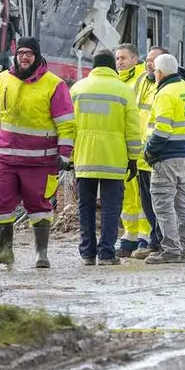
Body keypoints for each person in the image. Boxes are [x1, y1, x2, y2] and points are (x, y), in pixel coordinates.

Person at [0, 37, 75, 269]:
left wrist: (65, 153)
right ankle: (2, 253)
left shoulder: (54, 84)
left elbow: (66, 123)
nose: (24, 57)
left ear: (37, 56)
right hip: (6, 158)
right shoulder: (3, 80)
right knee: (0, 205)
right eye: (20, 53)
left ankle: (41, 255)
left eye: (29, 53)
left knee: (39, 206)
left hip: (40, 160)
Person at [70, 49, 140, 265]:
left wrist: (69, 155)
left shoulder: (77, 89)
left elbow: (67, 126)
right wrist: (134, 157)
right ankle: (107, 253)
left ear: (94, 66)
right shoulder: (123, 91)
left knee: (85, 206)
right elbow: (133, 129)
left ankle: (87, 254)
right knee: (111, 207)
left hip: (84, 157)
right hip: (114, 158)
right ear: (112, 66)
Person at [143, 53, 185, 264]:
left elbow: (162, 129)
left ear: (160, 72)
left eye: (155, 71)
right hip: (182, 155)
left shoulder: (166, 93)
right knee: (181, 203)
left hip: (165, 156)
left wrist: (150, 152)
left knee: (163, 203)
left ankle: (171, 249)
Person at [113, 43, 151, 258]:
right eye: (117, 58)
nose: (120, 62)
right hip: (123, 145)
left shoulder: (142, 79)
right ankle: (130, 236)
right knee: (128, 195)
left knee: (142, 195)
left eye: (124, 58)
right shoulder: (117, 81)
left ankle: (144, 236)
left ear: (135, 59)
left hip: (139, 144)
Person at [131, 46, 168, 260]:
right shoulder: (142, 82)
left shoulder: (165, 87)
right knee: (147, 203)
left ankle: (161, 243)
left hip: (157, 155)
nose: (149, 63)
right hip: (142, 155)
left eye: (154, 60)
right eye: (148, 59)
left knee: (160, 203)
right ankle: (154, 241)